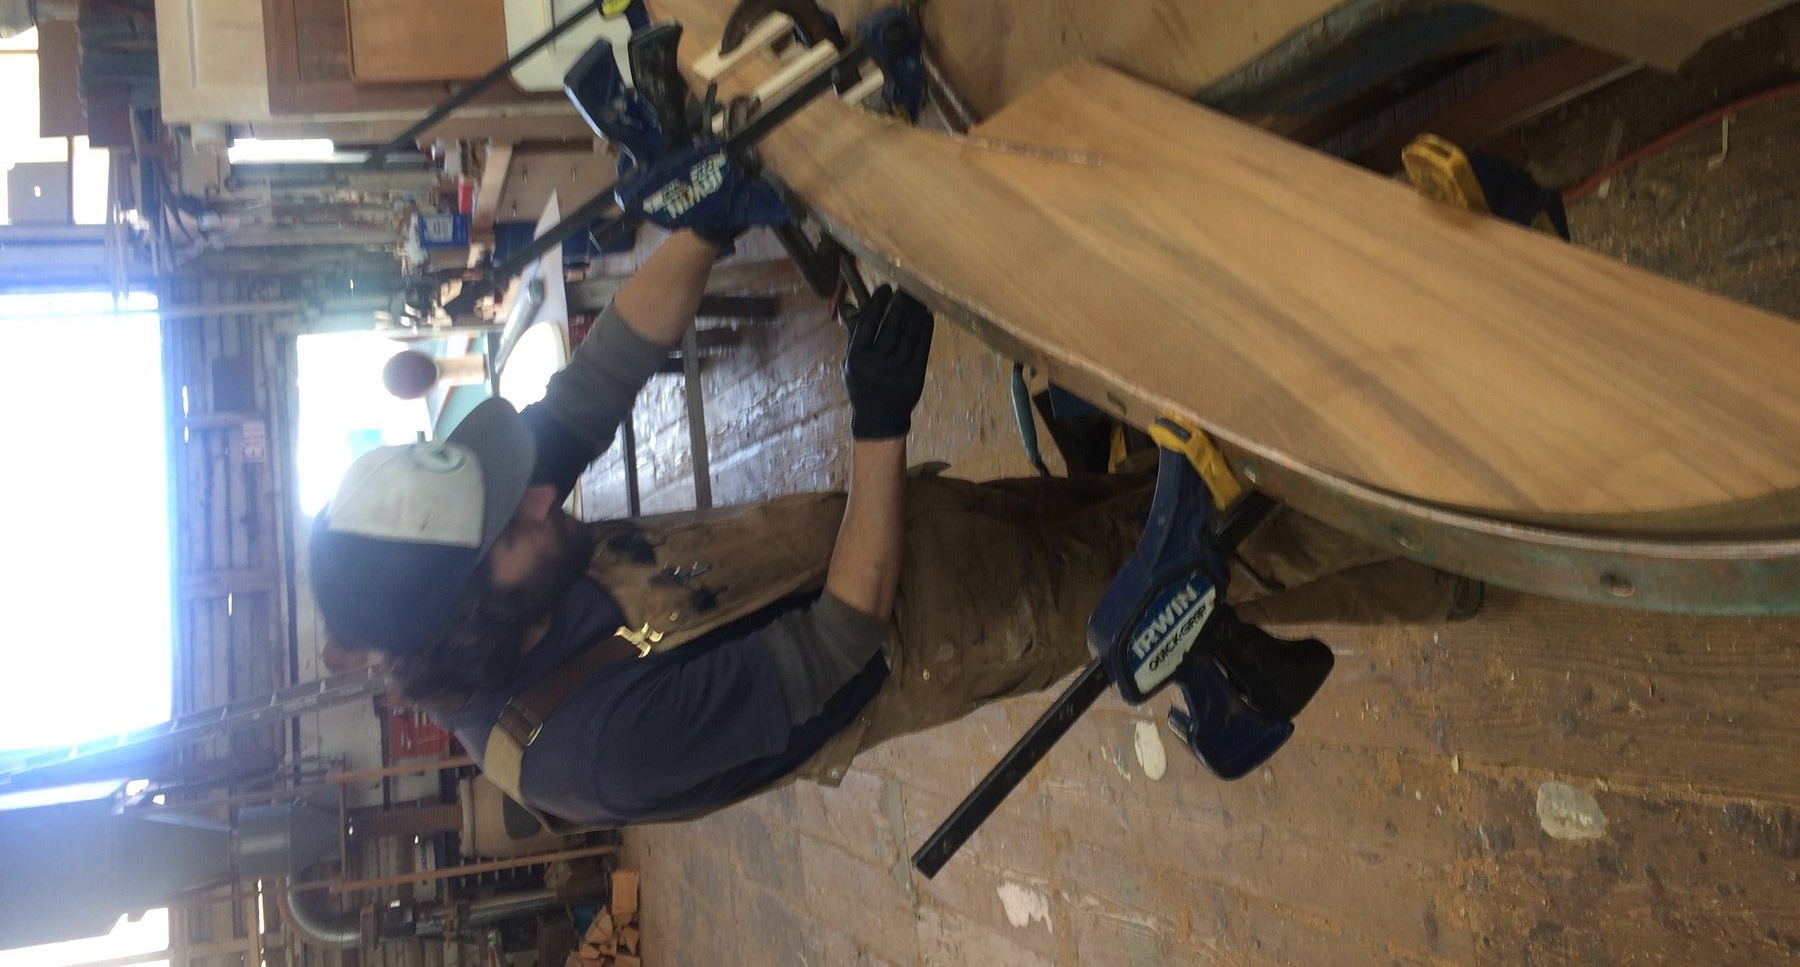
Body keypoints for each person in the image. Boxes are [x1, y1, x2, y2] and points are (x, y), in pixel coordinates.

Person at [310, 228, 1467, 828]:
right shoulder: (580, 750)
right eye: (514, 526)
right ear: (474, 616)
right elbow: (840, 643)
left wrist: (715, 208)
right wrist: (877, 422)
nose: (541, 497)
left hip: (904, 528)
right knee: (1226, 547)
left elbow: (597, 381)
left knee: (1136, 511)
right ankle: (1469, 495)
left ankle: (1441, 580)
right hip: (938, 622)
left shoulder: (502, 546)